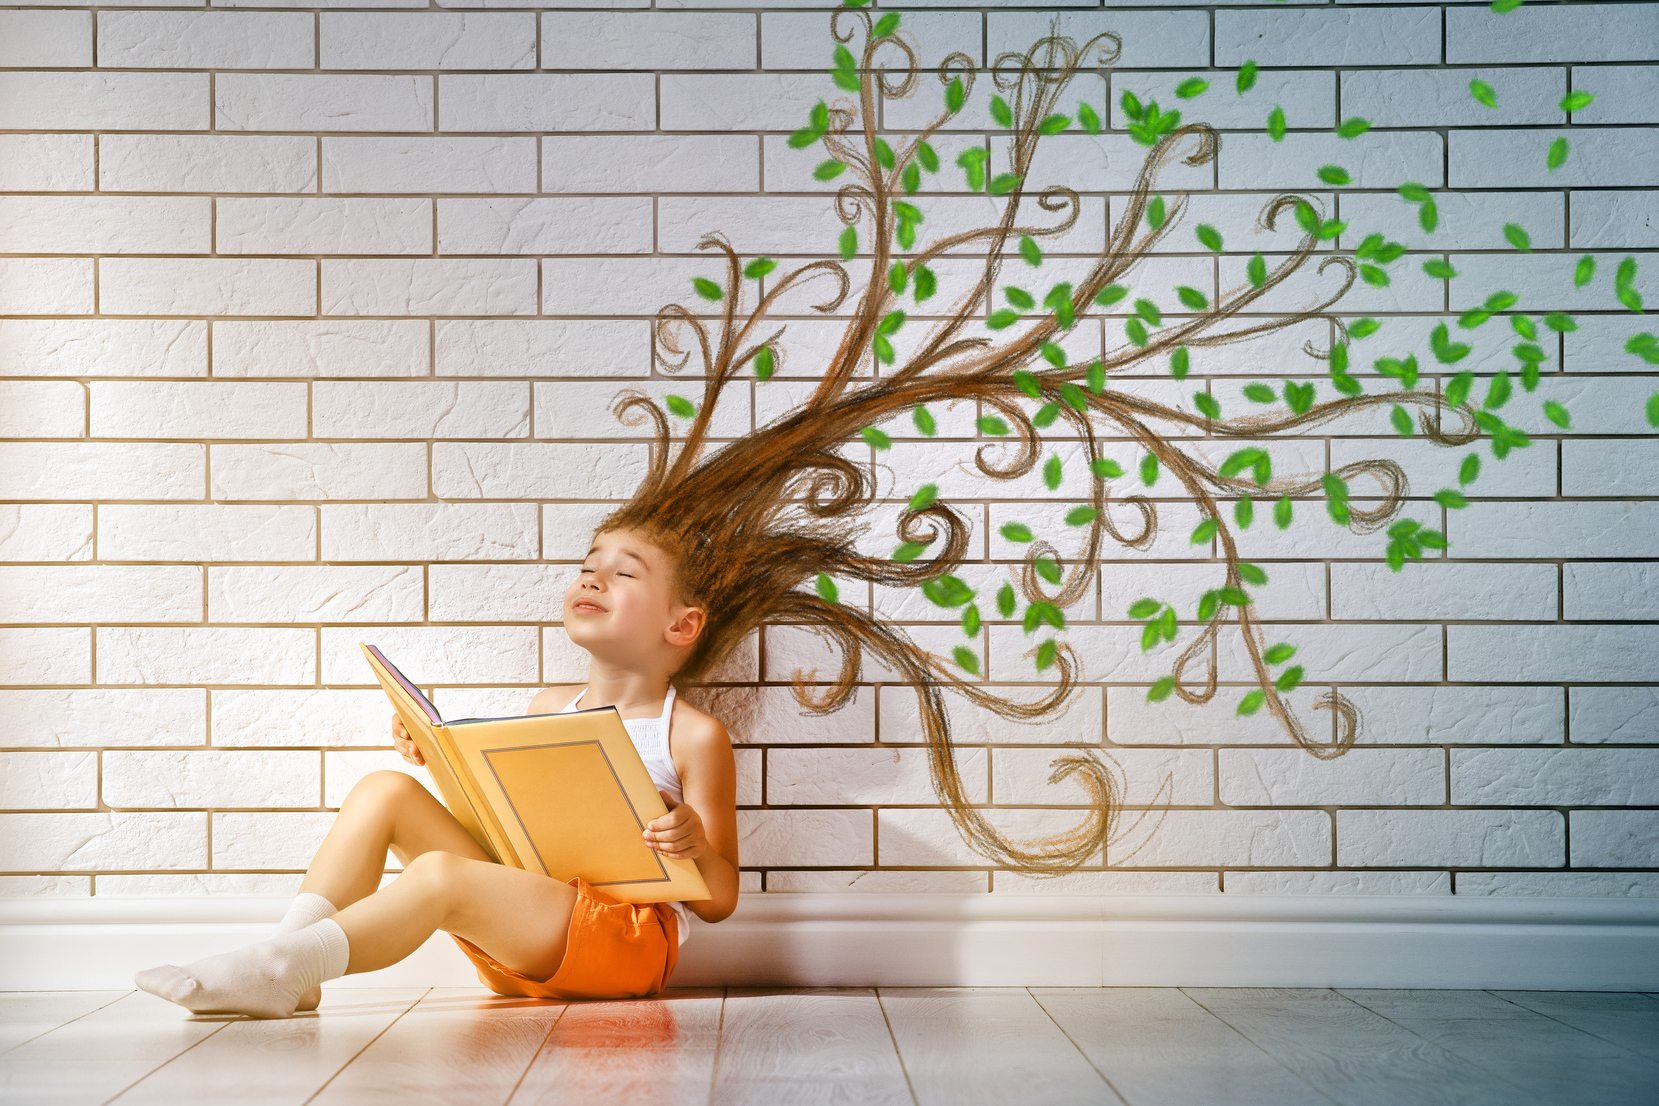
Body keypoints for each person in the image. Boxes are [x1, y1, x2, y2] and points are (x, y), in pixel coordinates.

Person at [135, 526, 740, 1019]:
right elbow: (513, 836)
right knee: (385, 791)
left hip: (624, 945)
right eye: (589, 564)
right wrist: (443, 758)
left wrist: (691, 846)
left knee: (443, 876)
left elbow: (722, 900)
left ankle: (281, 966)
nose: (593, 577)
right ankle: (296, 961)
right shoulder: (545, 709)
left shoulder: (691, 734)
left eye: (624, 572)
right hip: (534, 923)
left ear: (681, 625)